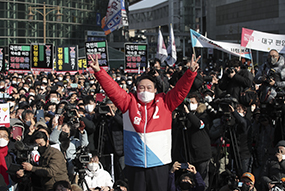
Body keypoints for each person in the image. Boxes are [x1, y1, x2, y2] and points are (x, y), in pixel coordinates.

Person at [89, 54, 200, 191]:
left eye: (149, 88)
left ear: (155, 90)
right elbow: (113, 90)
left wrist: (190, 73)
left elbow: (180, 91)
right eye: (141, 88)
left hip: (159, 162)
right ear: (136, 89)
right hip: (135, 163)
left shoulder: (166, 103)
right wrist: (99, 72)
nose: (145, 91)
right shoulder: (128, 102)